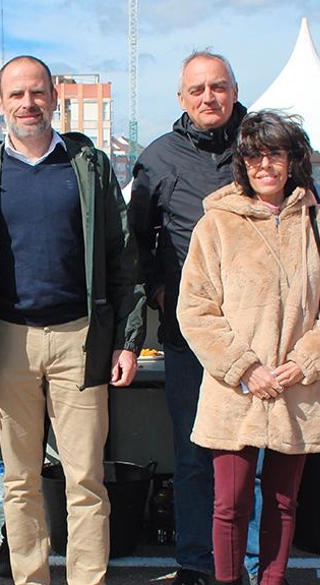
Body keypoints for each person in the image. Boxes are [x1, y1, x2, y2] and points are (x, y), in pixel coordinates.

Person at [0, 55, 145, 585]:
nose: (27, 104)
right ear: (0, 103)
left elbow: (123, 258)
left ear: (55, 98)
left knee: (86, 480)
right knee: (20, 481)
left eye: (37, 93)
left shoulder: (88, 165)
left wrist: (126, 340)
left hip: (81, 338)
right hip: (7, 341)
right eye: (16, 95)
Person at [177, 111, 320, 585]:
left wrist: (305, 362)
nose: (264, 165)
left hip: (296, 386)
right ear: (241, 162)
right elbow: (196, 309)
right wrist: (242, 366)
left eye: (274, 153)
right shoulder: (216, 225)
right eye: (253, 155)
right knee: (229, 503)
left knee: (283, 500)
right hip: (233, 389)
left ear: (292, 159)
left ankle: (273, 580)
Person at [128, 49, 249, 585]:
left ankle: (251, 563)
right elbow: (137, 239)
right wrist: (157, 288)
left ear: (234, 90)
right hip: (190, 339)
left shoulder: (265, 146)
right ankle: (198, 563)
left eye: (218, 87)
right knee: (197, 455)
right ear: (181, 98)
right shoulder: (158, 158)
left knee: (256, 460)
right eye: (197, 89)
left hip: (262, 337)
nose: (209, 97)